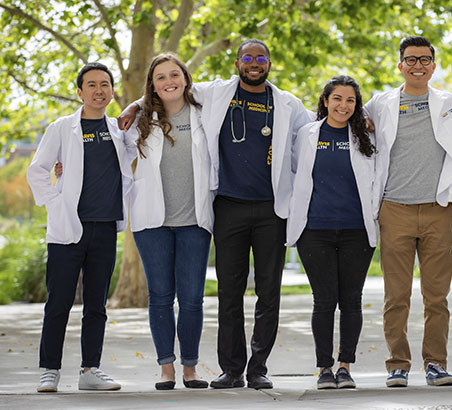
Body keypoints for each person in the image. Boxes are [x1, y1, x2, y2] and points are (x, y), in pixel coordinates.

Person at [118, 39, 312, 389]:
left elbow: (314, 129)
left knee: (269, 292)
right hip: (228, 207)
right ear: (237, 62)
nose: (254, 63)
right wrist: (134, 105)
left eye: (261, 58)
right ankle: (232, 369)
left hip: (272, 209)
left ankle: (259, 368)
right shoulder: (216, 93)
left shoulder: (287, 103)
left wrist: (361, 122)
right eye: (248, 57)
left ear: (269, 62)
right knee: (229, 292)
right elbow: (167, 87)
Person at [363, 36, 452, 387]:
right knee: (397, 295)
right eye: (410, 59)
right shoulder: (380, 104)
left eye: (424, 59)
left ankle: (436, 363)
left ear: (433, 66)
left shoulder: (451, 104)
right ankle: (398, 365)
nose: (417, 65)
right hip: (394, 209)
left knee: (436, 296)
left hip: (438, 208)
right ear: (400, 65)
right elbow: (346, 116)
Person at [27, 62, 135, 392]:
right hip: (68, 229)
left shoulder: (119, 130)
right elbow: (38, 170)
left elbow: (147, 129)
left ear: (112, 90)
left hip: (104, 227)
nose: (99, 90)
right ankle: (50, 370)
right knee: (58, 302)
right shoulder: (61, 128)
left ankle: (91, 369)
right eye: (91, 85)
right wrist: (56, 203)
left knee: (96, 306)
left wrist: (134, 105)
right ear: (79, 92)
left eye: (105, 84)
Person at [287, 75, 377, 389]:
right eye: (337, 98)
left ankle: (345, 366)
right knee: (324, 301)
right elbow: (294, 172)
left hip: (357, 230)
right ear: (325, 100)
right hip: (315, 230)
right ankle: (324, 367)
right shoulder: (307, 134)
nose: (343, 105)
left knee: (351, 300)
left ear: (357, 105)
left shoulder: (366, 135)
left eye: (350, 100)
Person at [130, 53, 213, 390]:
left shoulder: (205, 113)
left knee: (192, 297)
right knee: (161, 296)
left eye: (174, 74)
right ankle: (166, 368)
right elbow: (113, 153)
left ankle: (190, 368)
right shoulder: (140, 119)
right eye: (160, 77)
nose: (169, 82)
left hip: (194, 220)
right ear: (152, 84)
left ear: (186, 78)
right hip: (152, 222)